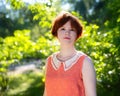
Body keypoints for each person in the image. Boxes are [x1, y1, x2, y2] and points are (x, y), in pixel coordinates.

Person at [43, 11, 96, 96]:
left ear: (77, 34)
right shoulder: (49, 61)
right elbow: (46, 92)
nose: (67, 33)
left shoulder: (85, 61)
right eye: (62, 29)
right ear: (56, 32)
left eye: (72, 29)